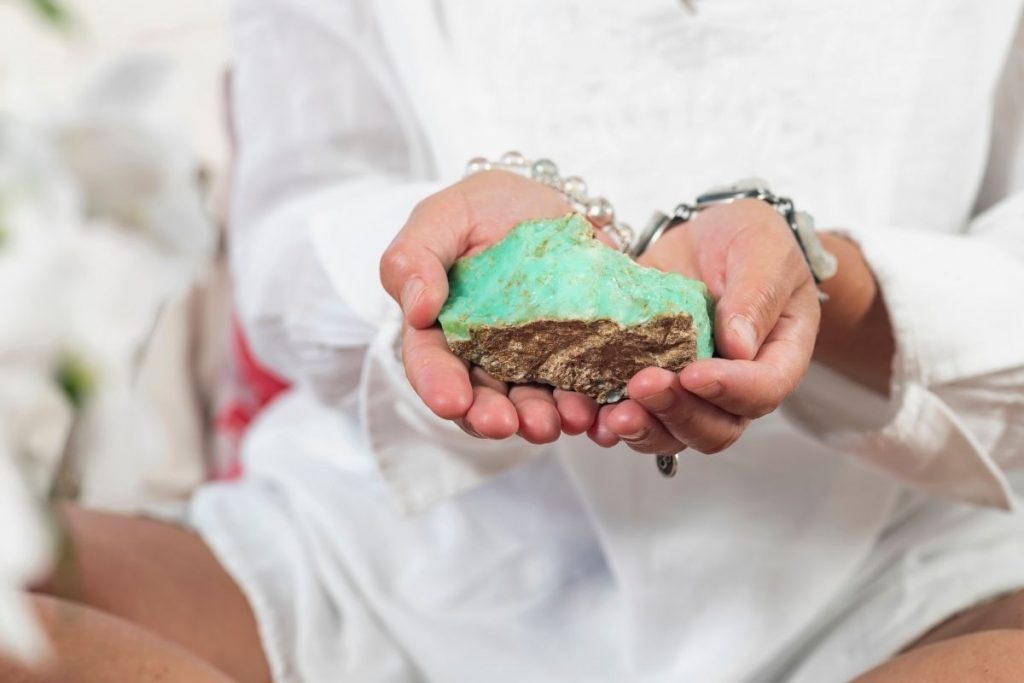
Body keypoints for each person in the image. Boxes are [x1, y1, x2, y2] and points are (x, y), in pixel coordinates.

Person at [6, 0, 1024, 681]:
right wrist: (432, 268)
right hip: (379, 576)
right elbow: (293, 226)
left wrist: (823, 281)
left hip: (896, 582)